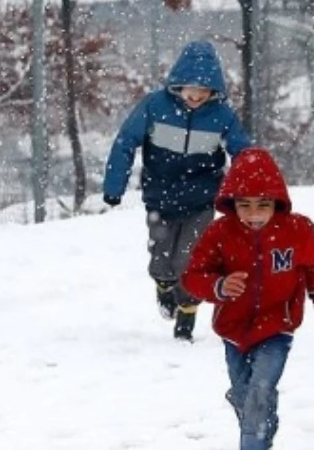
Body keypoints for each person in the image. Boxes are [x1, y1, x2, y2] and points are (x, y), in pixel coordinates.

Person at [181, 148, 314, 450]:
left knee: (259, 391)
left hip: (277, 325)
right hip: (234, 329)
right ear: (231, 203)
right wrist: (218, 286)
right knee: (243, 394)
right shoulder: (220, 233)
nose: (253, 215)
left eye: (263, 206)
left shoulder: (297, 230)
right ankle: (262, 429)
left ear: (278, 203)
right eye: (245, 205)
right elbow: (193, 276)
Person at [102, 41, 253, 341]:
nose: (196, 97)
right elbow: (125, 142)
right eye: (191, 90)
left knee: (191, 259)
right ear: (178, 85)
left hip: (201, 200)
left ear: (215, 91)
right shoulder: (154, 107)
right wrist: (114, 185)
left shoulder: (221, 116)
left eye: (204, 91)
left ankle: (187, 312)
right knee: (162, 259)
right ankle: (163, 285)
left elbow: (244, 153)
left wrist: (250, 190)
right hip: (160, 197)